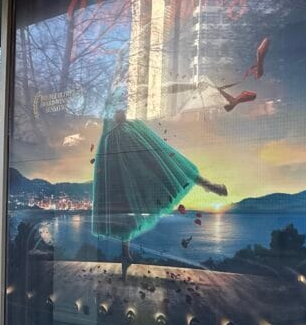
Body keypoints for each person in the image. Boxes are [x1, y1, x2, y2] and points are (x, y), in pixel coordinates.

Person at [92, 107, 227, 277]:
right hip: (137, 178)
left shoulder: (124, 131)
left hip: (142, 175)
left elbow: (155, 154)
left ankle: (208, 185)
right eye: (119, 111)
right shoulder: (117, 134)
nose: (122, 113)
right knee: (175, 170)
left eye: (123, 111)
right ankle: (125, 254)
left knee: (176, 169)